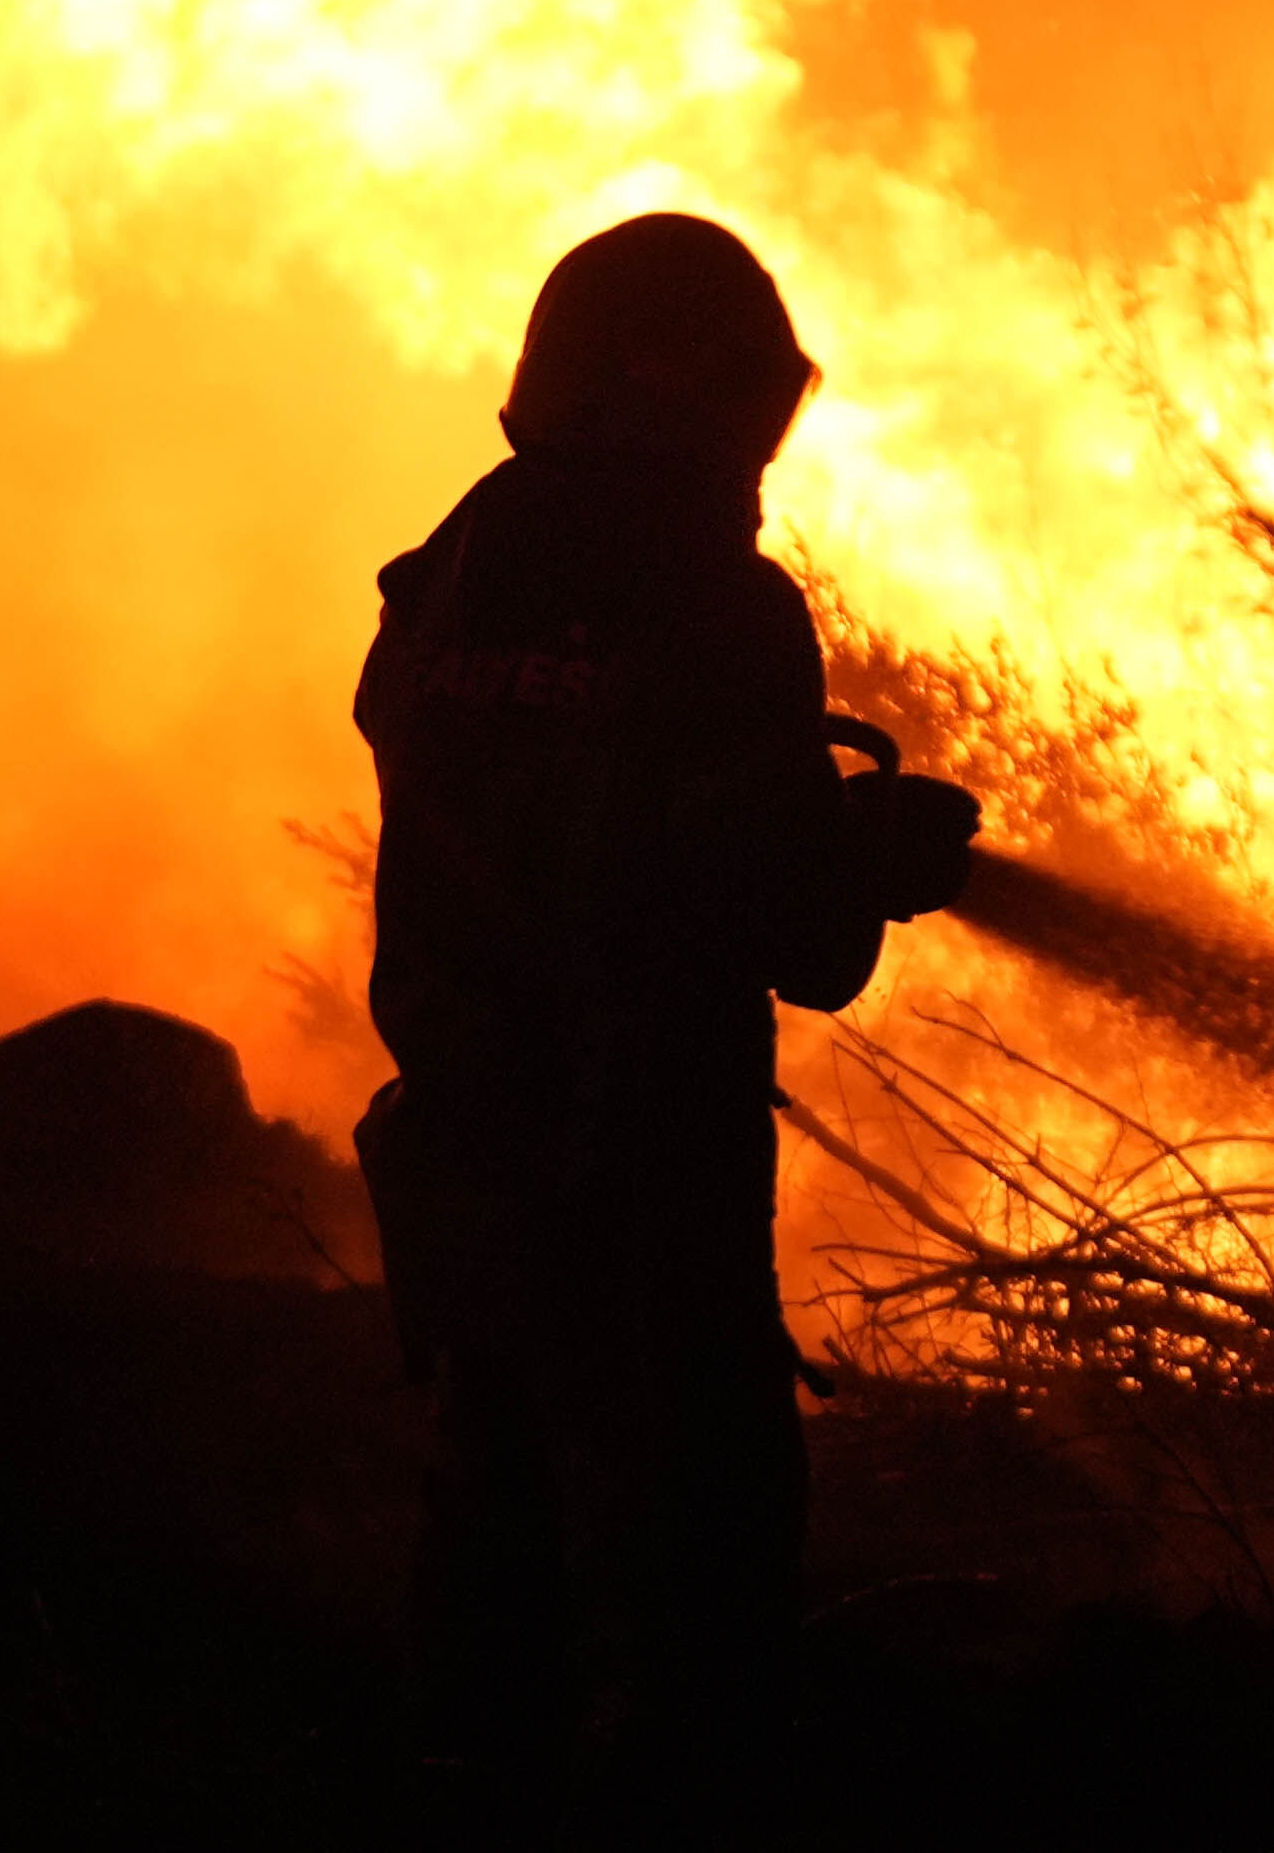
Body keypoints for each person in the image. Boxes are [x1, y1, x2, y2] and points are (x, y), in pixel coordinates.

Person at [353, 213, 977, 1778]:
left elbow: (568, 830)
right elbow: (805, 942)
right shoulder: (716, 603)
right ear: (671, 395)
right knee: (690, 1623)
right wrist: (872, 851)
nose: (756, 468)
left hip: (470, 1179)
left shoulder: (437, 587)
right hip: (647, 1205)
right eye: (742, 421)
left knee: (485, 1603)